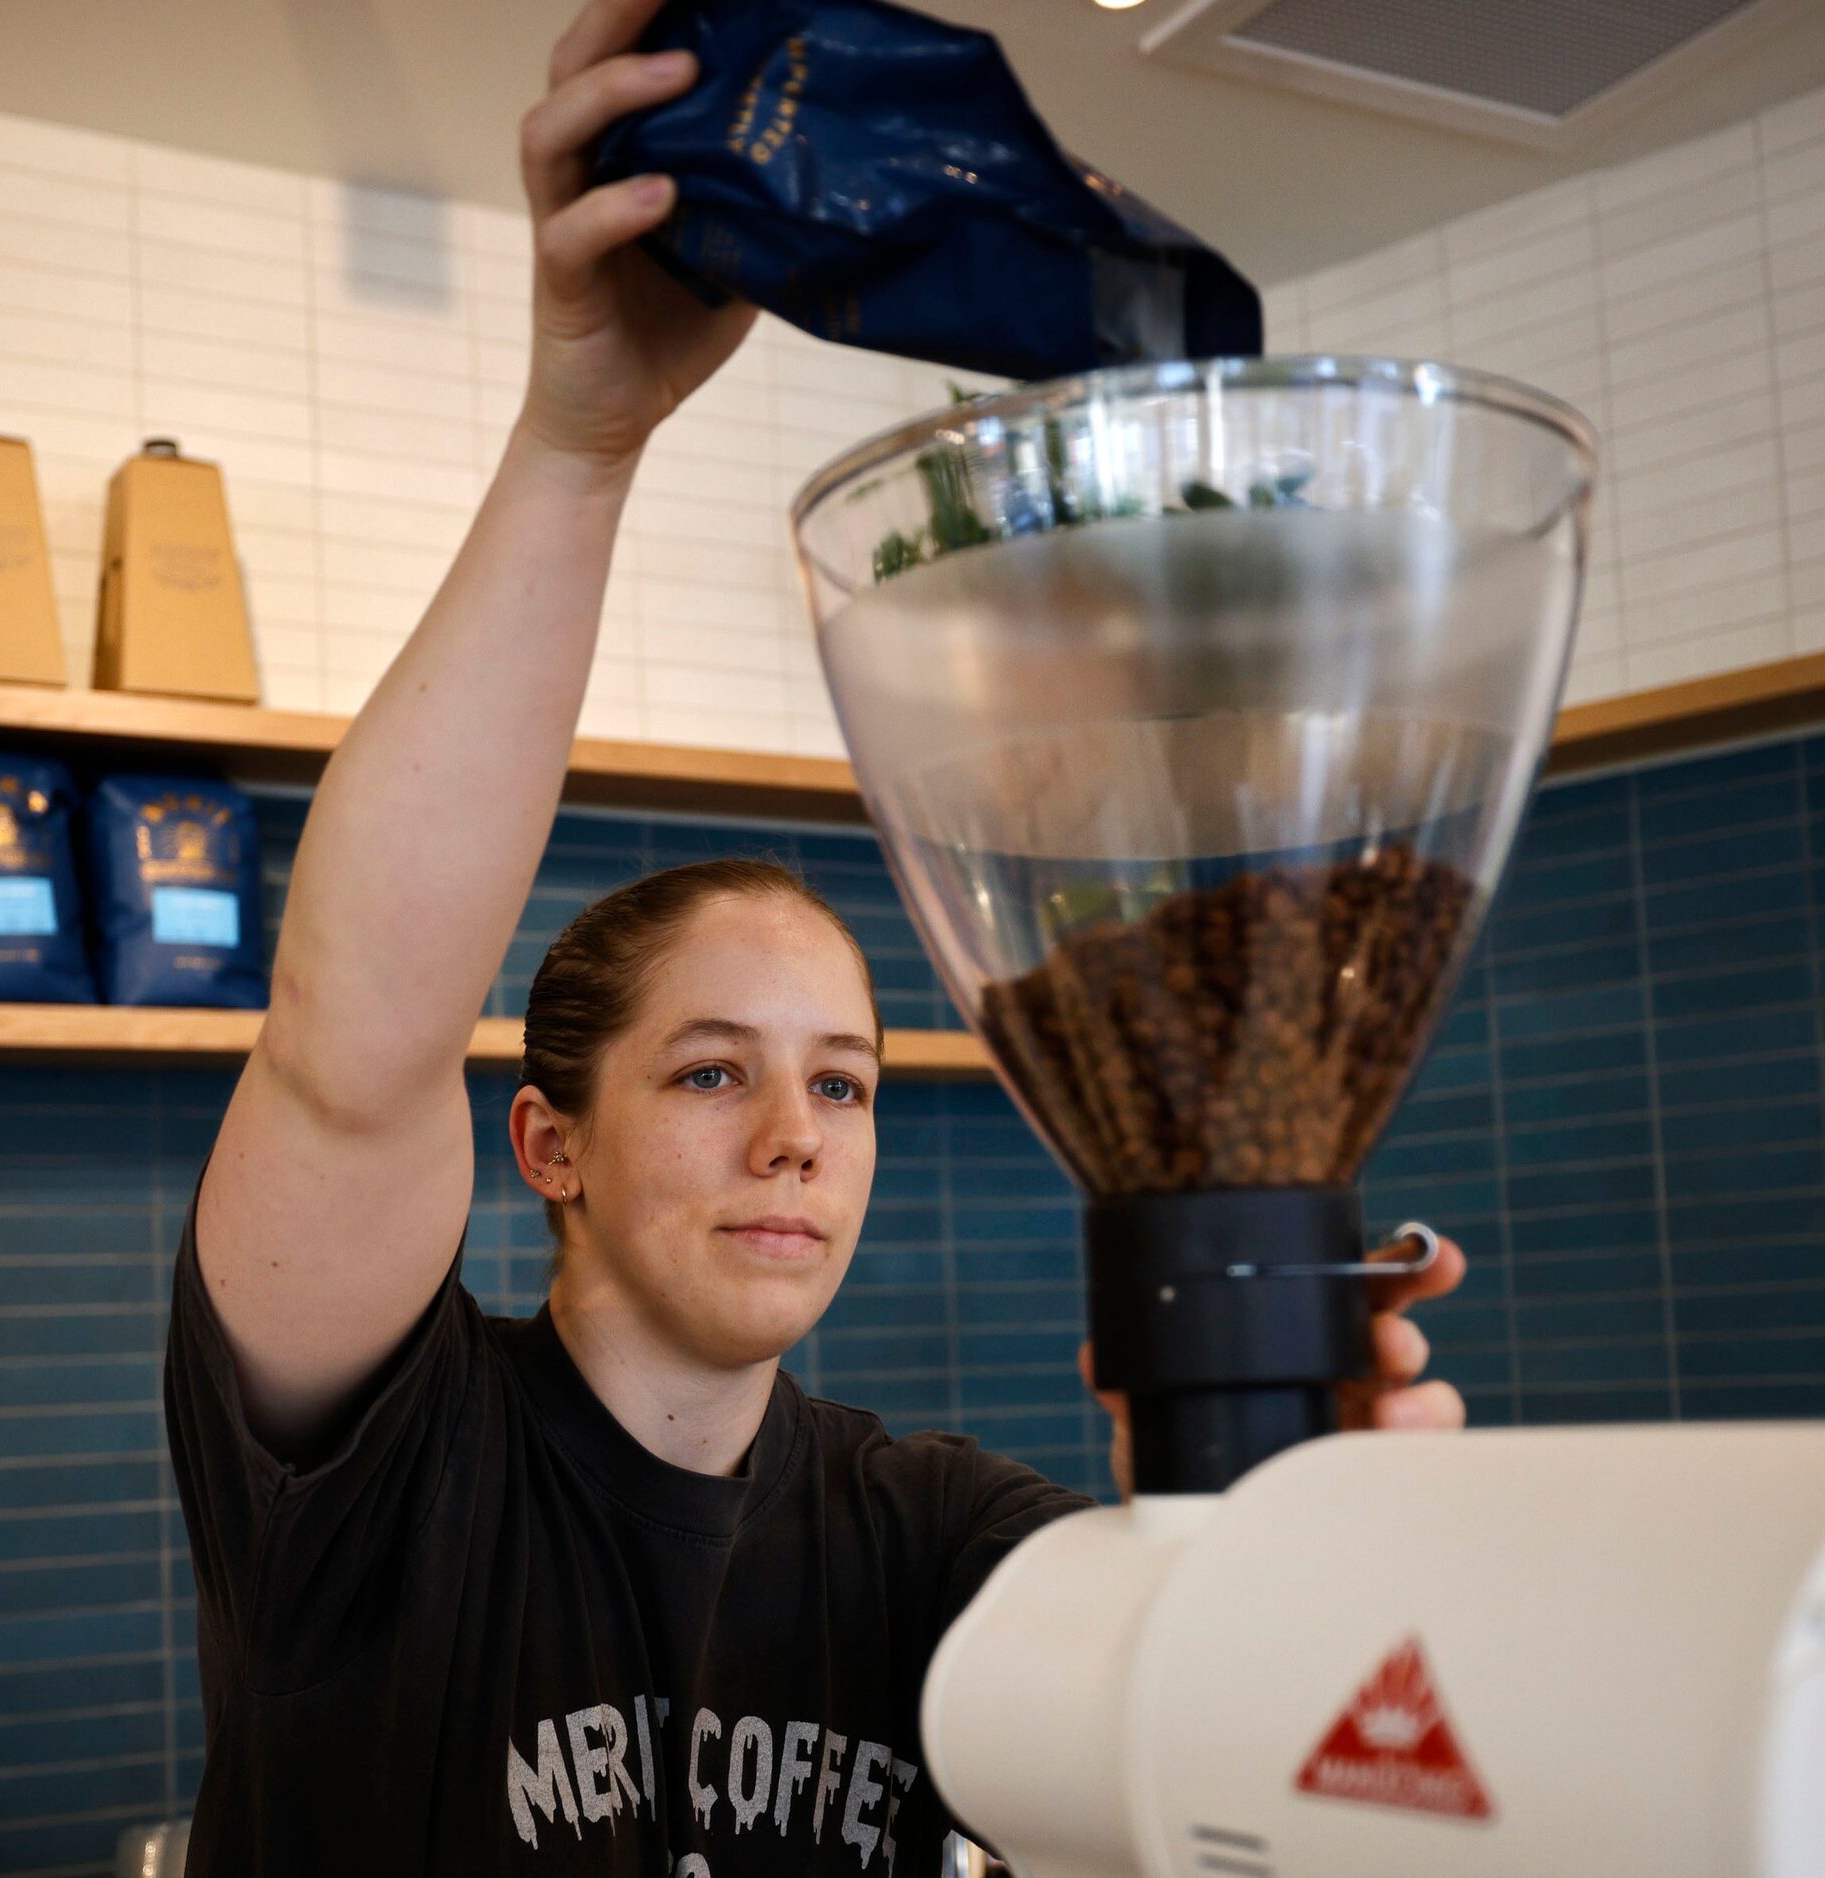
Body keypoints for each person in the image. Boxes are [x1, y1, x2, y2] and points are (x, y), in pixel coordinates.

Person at [163, 1, 1468, 1870]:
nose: (797, 1138)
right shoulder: (391, 1470)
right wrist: (580, 441)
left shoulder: (927, 1532)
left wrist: (1296, 1546)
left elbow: (1239, 1769)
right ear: (552, 1145)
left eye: (842, 1085)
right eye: (712, 1072)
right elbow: (353, 1040)